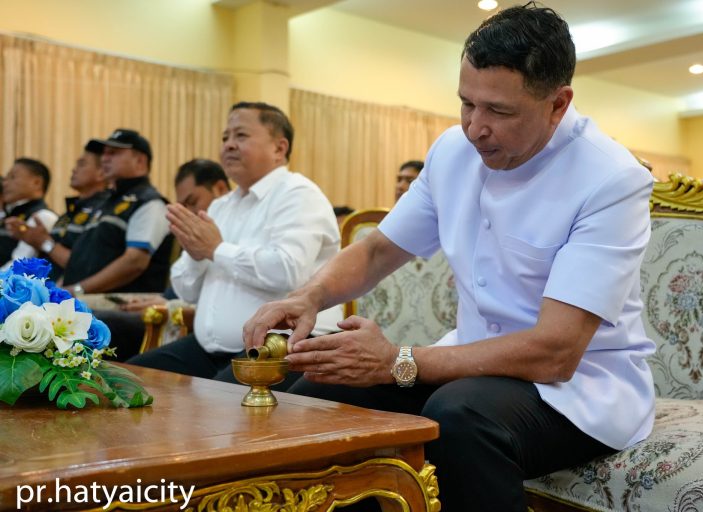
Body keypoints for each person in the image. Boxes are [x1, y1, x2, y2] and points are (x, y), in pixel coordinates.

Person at [242, 4, 656, 512]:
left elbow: (556, 351)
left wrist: (397, 362)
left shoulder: (610, 178)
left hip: (580, 390)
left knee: (460, 417)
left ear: (558, 103)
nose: (475, 128)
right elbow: (377, 250)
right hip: (471, 365)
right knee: (321, 394)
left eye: (499, 111)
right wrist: (309, 296)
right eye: (466, 103)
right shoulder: (452, 152)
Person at [128, 102, 342, 385]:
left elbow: (286, 271)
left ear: (279, 148)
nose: (228, 144)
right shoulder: (221, 205)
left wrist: (216, 250)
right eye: (225, 137)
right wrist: (197, 255)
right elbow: (186, 291)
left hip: (282, 345)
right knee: (125, 379)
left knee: (216, 401)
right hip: (208, 350)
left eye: (240, 136)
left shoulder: (299, 194)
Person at [95, 158, 231, 362]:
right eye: (183, 206)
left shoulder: (235, 228)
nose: (188, 213)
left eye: (193, 202)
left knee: (101, 325)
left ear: (220, 189)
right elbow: (182, 283)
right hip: (175, 309)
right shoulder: (195, 233)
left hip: (208, 326)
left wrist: (169, 303)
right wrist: (165, 299)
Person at [61, 129, 173, 295]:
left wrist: (78, 289)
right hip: (85, 301)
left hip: (119, 305)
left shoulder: (150, 202)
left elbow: (135, 261)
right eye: (105, 153)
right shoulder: (105, 203)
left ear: (140, 161)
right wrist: (59, 290)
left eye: (113, 153)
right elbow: (79, 260)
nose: (104, 158)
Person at [12, 141, 109, 280]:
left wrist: (43, 242)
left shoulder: (103, 211)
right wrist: (32, 239)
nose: (74, 169)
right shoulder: (68, 214)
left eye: (81, 164)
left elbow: (86, 266)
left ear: (101, 173)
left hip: (73, 291)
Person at [1, 158, 58, 266]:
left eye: (12, 177)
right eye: (5, 178)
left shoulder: (42, 216)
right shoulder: (8, 214)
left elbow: (19, 266)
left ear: (37, 182)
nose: (5, 183)